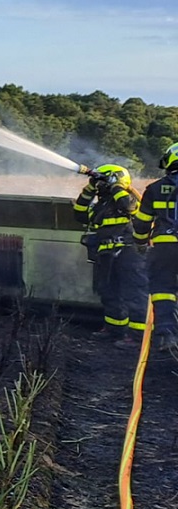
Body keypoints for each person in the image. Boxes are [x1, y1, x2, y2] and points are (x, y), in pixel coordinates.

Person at [74, 163, 147, 342]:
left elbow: (130, 208)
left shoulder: (130, 198)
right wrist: (90, 187)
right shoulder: (102, 205)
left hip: (129, 253)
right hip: (105, 254)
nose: (101, 185)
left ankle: (137, 336)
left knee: (134, 293)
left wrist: (116, 186)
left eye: (104, 180)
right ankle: (114, 331)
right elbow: (80, 214)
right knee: (108, 292)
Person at [133, 142, 178, 352]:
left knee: (162, 288)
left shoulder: (155, 188)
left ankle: (167, 335)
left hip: (165, 247)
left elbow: (142, 222)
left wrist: (141, 243)